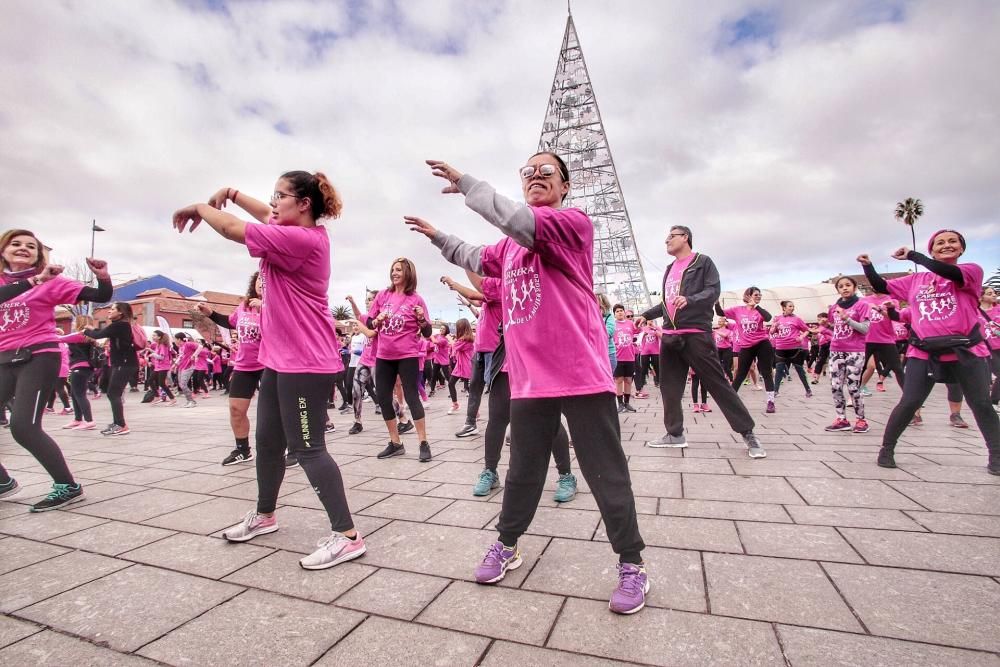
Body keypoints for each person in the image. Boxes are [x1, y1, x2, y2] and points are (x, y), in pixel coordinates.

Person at [407, 152, 648, 614]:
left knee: (605, 473)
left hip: (580, 376)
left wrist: (469, 184)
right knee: (522, 470)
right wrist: (438, 236)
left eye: (546, 173)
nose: (536, 178)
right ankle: (507, 544)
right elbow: (476, 256)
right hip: (530, 381)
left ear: (565, 186)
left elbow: (519, 221)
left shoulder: (571, 225)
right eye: (528, 173)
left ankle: (632, 564)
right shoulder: (511, 248)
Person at [173, 171, 366, 569]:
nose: (273, 203)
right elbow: (264, 213)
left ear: (304, 205)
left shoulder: (301, 239)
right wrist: (230, 191)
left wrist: (199, 206)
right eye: (272, 196)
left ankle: (348, 536)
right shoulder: (291, 227)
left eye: (281, 196)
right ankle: (264, 515)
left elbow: (229, 228)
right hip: (278, 359)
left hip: (305, 361)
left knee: (308, 449)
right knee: (266, 442)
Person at [859, 232, 999, 475]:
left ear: (962, 249)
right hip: (923, 352)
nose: (947, 245)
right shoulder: (916, 280)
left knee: (981, 404)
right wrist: (868, 266)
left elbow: (950, 273)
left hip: (965, 350)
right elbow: (882, 286)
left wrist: (915, 256)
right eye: (940, 243)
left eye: (952, 241)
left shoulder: (971, 271)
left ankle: (996, 456)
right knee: (910, 401)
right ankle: (887, 449)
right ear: (933, 250)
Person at [0, 229, 112, 509]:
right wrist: (34, 280)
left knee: (23, 426)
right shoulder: (14, 282)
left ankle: (67, 486)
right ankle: (3, 482)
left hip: (39, 356)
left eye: (31, 246)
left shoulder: (51, 283)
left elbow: (101, 295)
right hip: (3, 358)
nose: (23, 248)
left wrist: (103, 275)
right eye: (15, 244)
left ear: (39, 255)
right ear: (3, 251)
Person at [636, 226, 766, 459]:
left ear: (685, 237)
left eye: (671, 236)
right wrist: (646, 314)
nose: (666, 240)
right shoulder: (669, 270)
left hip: (696, 333)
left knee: (718, 384)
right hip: (670, 337)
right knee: (670, 387)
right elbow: (667, 303)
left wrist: (691, 299)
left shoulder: (702, 262)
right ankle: (674, 434)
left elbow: (712, 292)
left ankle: (748, 433)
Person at [366, 258, 434, 462]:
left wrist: (421, 319)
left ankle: (423, 442)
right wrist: (377, 320)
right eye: (392, 270)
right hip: (384, 355)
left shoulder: (416, 299)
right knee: (383, 397)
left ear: (408, 273)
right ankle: (395, 443)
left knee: (412, 396)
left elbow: (428, 331)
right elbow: (370, 321)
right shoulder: (382, 295)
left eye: (398, 270)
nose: (394, 273)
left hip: (407, 355)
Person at [201, 272, 264, 466]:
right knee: (236, 409)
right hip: (244, 365)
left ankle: (289, 448)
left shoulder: (280, 304)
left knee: (276, 410)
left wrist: (266, 308)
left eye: (267, 279)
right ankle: (242, 450)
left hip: (270, 364)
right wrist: (209, 313)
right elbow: (230, 322)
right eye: (260, 279)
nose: (262, 283)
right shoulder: (244, 306)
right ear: (254, 283)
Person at [821, 276, 871, 433]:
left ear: (854, 287)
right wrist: (826, 325)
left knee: (853, 387)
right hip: (836, 350)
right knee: (835, 385)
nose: (845, 288)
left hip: (855, 350)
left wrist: (847, 319)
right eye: (841, 286)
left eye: (848, 285)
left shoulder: (862, 305)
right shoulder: (834, 307)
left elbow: (865, 329)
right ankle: (841, 419)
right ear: (837, 290)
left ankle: (861, 420)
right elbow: (835, 327)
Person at [83, 302, 140, 436]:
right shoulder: (120, 325)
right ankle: (117, 423)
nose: (109, 311)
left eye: (112, 309)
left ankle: (121, 425)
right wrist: (92, 329)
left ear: (120, 312)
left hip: (124, 364)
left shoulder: (120, 325)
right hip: (123, 363)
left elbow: (98, 334)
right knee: (113, 393)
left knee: (113, 393)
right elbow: (103, 332)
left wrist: (85, 330)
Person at [717, 287, 776, 412]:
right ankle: (731, 401)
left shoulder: (759, 311)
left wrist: (756, 306)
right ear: (748, 296)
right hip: (746, 346)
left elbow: (768, 317)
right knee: (740, 373)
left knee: (766, 372)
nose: (759, 296)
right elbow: (720, 313)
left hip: (762, 344)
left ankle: (771, 402)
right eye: (756, 294)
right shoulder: (738, 310)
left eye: (760, 295)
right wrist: (716, 302)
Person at [59, 315, 99, 429]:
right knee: (75, 393)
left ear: (80, 323)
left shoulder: (80, 335)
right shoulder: (89, 336)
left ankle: (89, 421)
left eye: (75, 321)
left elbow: (60, 338)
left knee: (80, 394)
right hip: (85, 367)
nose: (73, 323)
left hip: (79, 367)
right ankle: (77, 419)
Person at [770, 300, 813, 398]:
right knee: (779, 370)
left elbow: (807, 330)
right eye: (790, 306)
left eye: (793, 306)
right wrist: (774, 326)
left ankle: (808, 389)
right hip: (780, 347)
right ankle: (775, 391)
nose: (792, 308)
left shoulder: (797, 319)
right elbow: (772, 332)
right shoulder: (778, 318)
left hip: (795, 348)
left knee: (799, 369)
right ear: (784, 308)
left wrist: (801, 337)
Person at [612, 304, 639, 413]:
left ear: (624, 312)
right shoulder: (612, 325)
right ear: (614, 314)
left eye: (621, 310)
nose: (620, 312)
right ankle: (620, 404)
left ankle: (627, 403)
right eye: (617, 311)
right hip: (617, 357)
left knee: (628, 380)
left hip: (630, 357)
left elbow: (639, 331)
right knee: (619, 380)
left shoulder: (630, 324)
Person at [448, 318, 475, 415]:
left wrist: (450, 339)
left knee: (470, 389)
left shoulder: (467, 340)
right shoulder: (463, 339)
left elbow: (454, 346)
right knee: (451, 383)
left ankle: (475, 411)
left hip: (467, 365)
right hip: (460, 365)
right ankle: (455, 404)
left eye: (457, 327)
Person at [146, 330, 177, 405]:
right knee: (150, 380)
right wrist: (151, 351)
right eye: (153, 335)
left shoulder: (163, 345)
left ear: (159, 337)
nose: (153, 337)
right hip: (158, 367)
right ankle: (157, 396)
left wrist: (153, 354)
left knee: (161, 383)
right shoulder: (158, 344)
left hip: (163, 367)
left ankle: (172, 399)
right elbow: (158, 353)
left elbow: (161, 357)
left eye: (154, 335)